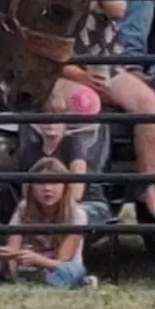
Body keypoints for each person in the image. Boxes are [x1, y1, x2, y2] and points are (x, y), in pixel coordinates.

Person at [60, 0, 155, 220]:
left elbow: (119, 9)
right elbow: (44, 47)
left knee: (149, 104)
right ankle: (88, 191)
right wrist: (79, 75)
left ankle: (147, 185)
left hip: (105, 63)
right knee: (86, 101)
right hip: (61, 68)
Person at [0, 157, 97, 289]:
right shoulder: (23, 209)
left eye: (54, 183)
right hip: (27, 269)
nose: (47, 188)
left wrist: (39, 261)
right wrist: (6, 259)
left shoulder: (76, 214)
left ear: (65, 187)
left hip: (59, 269)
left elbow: (64, 259)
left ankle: (61, 283)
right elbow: (13, 248)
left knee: (74, 271)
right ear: (31, 187)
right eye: (41, 183)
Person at [18, 85, 112, 227]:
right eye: (45, 118)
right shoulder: (30, 151)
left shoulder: (73, 144)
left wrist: (52, 213)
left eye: (57, 118)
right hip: (47, 210)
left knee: (71, 216)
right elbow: (27, 194)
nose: (51, 124)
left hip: (87, 205)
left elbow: (77, 192)